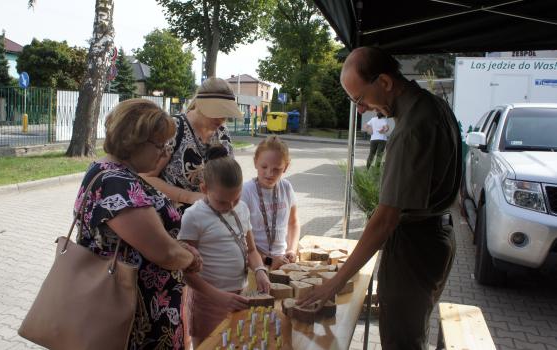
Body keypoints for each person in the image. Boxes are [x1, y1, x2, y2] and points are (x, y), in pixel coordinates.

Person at [298, 47, 462, 350]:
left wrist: (333, 284)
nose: (360, 109)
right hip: (436, 237)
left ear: (385, 82)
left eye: (359, 99)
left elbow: (385, 220)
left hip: (416, 245)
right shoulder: (434, 105)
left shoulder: (411, 128)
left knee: (401, 341)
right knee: (412, 331)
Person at [74, 99, 203, 350]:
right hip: (135, 317)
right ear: (134, 142)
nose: (165, 152)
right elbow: (162, 252)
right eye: (160, 145)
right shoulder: (117, 183)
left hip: (130, 305)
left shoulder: (106, 169)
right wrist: (190, 260)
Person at [178, 145, 271, 347]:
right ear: (204, 189)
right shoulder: (193, 217)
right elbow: (186, 272)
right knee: (208, 345)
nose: (230, 207)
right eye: (222, 202)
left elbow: (252, 250)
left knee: (235, 342)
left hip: (240, 294)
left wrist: (260, 270)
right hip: (208, 301)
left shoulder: (242, 208)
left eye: (235, 199)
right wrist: (219, 297)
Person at [141, 77, 243, 212]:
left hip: (212, 220)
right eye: (217, 111)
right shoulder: (173, 128)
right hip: (175, 222)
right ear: (200, 104)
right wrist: (189, 197)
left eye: (226, 112)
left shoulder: (223, 133)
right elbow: (146, 177)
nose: (222, 118)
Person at [241, 135, 300, 270]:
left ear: (285, 167)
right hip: (255, 265)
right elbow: (240, 237)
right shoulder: (246, 191)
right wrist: (267, 260)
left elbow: (293, 223)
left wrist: (291, 250)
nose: (269, 173)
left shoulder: (286, 187)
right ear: (255, 162)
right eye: (264, 167)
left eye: (276, 169)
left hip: (282, 261)